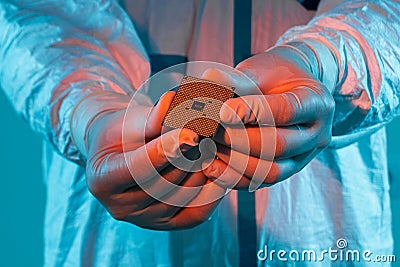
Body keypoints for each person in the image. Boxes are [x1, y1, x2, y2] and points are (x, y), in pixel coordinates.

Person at [0, 0, 399, 266]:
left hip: (324, 232)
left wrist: (325, 62)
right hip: (117, 244)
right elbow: (35, 15)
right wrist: (88, 106)